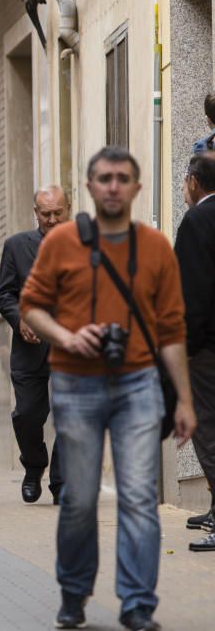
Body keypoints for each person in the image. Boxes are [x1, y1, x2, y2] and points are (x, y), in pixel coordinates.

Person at [21, 146, 196, 631]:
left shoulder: (155, 247)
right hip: (75, 383)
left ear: (136, 188)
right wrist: (67, 336)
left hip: (138, 383)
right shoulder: (61, 243)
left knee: (138, 495)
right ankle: (74, 594)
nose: (114, 186)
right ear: (91, 187)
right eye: (104, 178)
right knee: (77, 497)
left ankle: (138, 602)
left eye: (123, 178)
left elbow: (172, 328)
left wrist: (183, 399)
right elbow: (31, 307)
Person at [0, 185, 70, 504]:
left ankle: (61, 483)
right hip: (30, 347)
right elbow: (5, 294)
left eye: (58, 213)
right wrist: (20, 319)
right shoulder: (16, 246)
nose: (52, 220)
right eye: (45, 214)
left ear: (68, 210)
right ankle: (34, 465)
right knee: (27, 414)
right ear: (35, 212)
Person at [174, 151, 215, 551]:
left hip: (207, 348)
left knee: (207, 429)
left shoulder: (197, 220)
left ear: (193, 182)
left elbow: (193, 294)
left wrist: (186, 347)